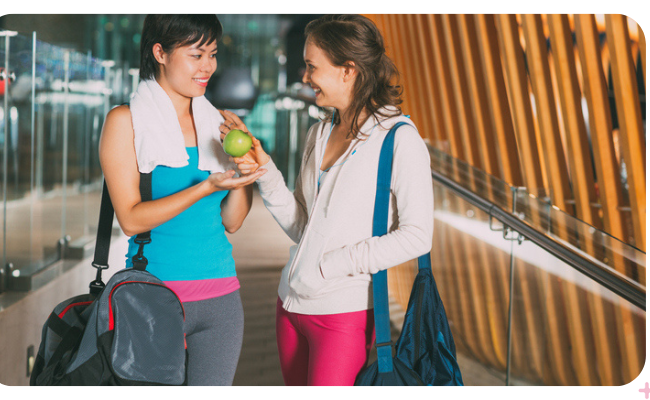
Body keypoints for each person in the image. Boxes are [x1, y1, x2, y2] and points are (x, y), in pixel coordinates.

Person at [219, 14, 434, 386]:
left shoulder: (399, 140)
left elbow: (417, 236)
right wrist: (265, 170)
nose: (304, 77)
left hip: (342, 314)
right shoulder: (318, 132)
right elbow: (304, 227)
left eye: (311, 66)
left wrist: (329, 266)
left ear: (348, 70)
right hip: (287, 307)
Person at [98, 14, 265, 386]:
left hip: (221, 296)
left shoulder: (220, 123)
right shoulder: (125, 122)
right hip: (152, 298)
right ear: (160, 52)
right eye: (196, 55)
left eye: (213, 54)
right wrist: (206, 187)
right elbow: (132, 219)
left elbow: (233, 221)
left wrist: (241, 175)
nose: (208, 66)